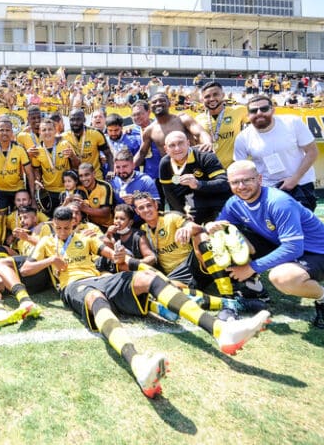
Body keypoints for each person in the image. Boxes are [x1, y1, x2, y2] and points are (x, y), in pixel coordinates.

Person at [19, 206, 271, 398]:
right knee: (96, 299)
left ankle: (220, 330)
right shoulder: (45, 242)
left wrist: (117, 253)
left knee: (148, 278)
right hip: (74, 287)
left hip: (99, 278)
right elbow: (27, 269)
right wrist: (50, 261)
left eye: (67, 228)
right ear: (53, 224)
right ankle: (138, 364)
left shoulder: (84, 239)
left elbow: (110, 252)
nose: (63, 232)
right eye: (59, 228)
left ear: (73, 225)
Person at [209, 160, 324, 329]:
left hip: (322, 255)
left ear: (259, 179)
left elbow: (293, 248)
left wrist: (250, 268)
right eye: (235, 182)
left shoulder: (278, 201)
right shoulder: (234, 203)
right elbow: (220, 226)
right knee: (226, 238)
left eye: (247, 180)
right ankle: (254, 289)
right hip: (286, 247)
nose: (241, 186)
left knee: (282, 278)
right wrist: (210, 226)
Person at [234, 95, 319, 211]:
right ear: (248, 115)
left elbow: (312, 152)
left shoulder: (292, 123)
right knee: (272, 227)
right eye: (253, 111)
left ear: (272, 110)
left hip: (300, 183)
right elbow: (240, 169)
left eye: (264, 109)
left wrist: (294, 179)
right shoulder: (242, 138)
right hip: (267, 189)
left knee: (302, 226)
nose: (259, 113)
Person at [0, 206, 49, 331]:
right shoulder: (21, 240)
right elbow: (20, 258)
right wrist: (3, 248)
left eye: (25, 217)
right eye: (20, 218)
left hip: (40, 271)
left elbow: (52, 247)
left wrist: (28, 238)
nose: (22, 221)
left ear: (35, 218)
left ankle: (26, 301)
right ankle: (0, 313)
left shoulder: (44, 228)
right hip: (26, 277)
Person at [159, 131, 232, 224]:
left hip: (218, 197)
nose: (177, 148)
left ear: (188, 143)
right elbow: (169, 194)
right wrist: (182, 215)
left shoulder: (205, 155)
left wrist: (198, 184)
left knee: (224, 229)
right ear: (166, 149)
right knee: (190, 228)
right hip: (194, 201)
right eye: (172, 145)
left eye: (180, 143)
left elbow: (224, 183)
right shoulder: (165, 163)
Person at [133, 93, 213, 170]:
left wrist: (207, 143)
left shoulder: (183, 119)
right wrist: (128, 167)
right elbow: (142, 153)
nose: (158, 103)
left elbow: (201, 133)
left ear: (169, 103)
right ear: (150, 107)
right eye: (154, 102)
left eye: (162, 100)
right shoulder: (149, 130)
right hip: (171, 172)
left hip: (194, 168)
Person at [0, 116, 36, 215]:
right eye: (1, 130)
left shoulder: (20, 149)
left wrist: (33, 199)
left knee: (20, 216)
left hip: (17, 190)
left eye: (7, 130)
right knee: (1, 219)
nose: (4, 133)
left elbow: (29, 174)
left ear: (12, 132)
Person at [195, 81, 249, 168]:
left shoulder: (239, 111)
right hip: (209, 168)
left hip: (234, 167)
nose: (212, 98)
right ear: (202, 99)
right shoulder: (198, 119)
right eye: (207, 96)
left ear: (223, 95)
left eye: (215, 94)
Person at [32, 117, 77, 210]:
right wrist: (37, 180)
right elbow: (37, 169)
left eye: (50, 129)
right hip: (48, 192)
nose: (47, 132)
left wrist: (73, 156)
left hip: (66, 190)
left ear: (55, 130)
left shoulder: (64, 144)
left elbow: (77, 166)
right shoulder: (37, 150)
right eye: (44, 130)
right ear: (40, 132)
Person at [62, 108, 113, 180]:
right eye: (72, 120)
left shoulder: (96, 133)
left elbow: (108, 154)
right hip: (76, 179)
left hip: (96, 177)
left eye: (78, 119)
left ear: (84, 120)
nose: (75, 123)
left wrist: (111, 171)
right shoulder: (64, 137)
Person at [72, 162, 114, 231]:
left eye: (87, 175)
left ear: (94, 174)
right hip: (87, 225)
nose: (83, 179)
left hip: (105, 226)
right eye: (81, 176)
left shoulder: (104, 186)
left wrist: (84, 208)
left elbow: (105, 212)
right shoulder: (78, 187)